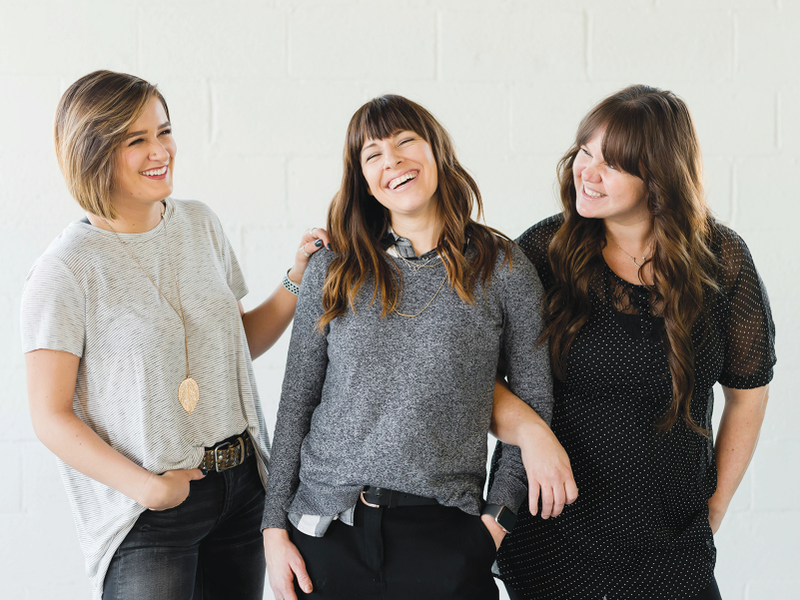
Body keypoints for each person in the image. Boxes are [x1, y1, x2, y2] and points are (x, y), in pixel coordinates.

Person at [20, 70, 330, 600]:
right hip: (149, 512)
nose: (160, 150)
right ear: (92, 152)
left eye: (163, 131)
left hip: (242, 491)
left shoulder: (199, 223)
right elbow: (49, 416)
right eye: (136, 140)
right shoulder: (66, 270)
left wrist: (296, 278)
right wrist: (147, 488)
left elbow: (236, 347)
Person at [261, 94, 573, 600]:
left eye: (407, 142)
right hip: (325, 534)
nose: (394, 162)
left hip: (446, 539)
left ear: (437, 152)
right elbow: (297, 399)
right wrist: (274, 531)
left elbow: (534, 404)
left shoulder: (504, 267)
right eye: (374, 155)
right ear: (363, 179)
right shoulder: (334, 268)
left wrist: (492, 528)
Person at [491, 84, 776, 600]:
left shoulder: (723, 259)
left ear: (660, 178)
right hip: (555, 534)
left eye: (614, 164)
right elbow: (468, 375)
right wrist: (531, 433)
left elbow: (749, 391)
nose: (587, 172)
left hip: (672, 536)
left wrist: (716, 505)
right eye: (585, 152)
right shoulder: (541, 252)